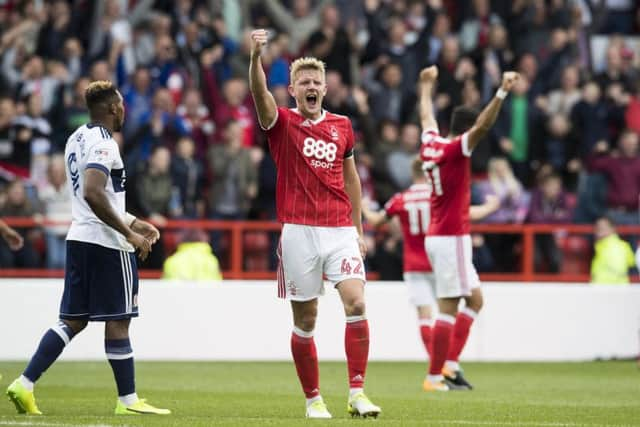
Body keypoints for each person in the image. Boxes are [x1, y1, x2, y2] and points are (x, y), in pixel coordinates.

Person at [6, 80, 170, 416]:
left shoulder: (75, 139)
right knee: (120, 319)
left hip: (79, 236)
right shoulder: (105, 145)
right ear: (112, 108)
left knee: (72, 320)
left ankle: (24, 384)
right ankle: (128, 401)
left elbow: (99, 196)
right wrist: (130, 234)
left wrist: (136, 221)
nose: (124, 110)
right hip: (107, 243)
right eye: (122, 104)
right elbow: (93, 193)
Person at [249, 29, 380, 419]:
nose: (311, 86)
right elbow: (259, 97)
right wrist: (256, 58)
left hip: (339, 229)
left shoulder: (342, 126)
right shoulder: (283, 122)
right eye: (303, 81)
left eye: (316, 82)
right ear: (292, 89)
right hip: (299, 231)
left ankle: (357, 393)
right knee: (306, 319)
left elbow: (352, 178)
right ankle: (313, 399)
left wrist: (358, 231)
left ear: (324, 89)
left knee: (356, 301)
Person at [418, 65, 519, 391]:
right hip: (451, 237)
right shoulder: (455, 150)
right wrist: (501, 91)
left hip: (440, 234)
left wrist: (425, 86)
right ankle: (434, 377)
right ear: (464, 131)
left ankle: (449, 365)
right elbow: (484, 124)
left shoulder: (431, 143)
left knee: (475, 300)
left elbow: (425, 118)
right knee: (449, 306)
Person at [362, 157, 500, 384]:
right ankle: (447, 363)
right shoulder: (439, 197)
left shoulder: (401, 198)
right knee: (452, 311)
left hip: (413, 265)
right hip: (441, 260)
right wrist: (491, 207)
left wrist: (365, 209)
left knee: (425, 318)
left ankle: (438, 366)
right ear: (429, 173)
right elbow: (469, 214)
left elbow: (377, 221)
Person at [591, 216, 635, 285]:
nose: (598, 231)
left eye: (602, 228)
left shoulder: (617, 247)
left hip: (609, 290)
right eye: (597, 228)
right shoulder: (600, 246)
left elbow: (618, 271)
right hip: (608, 289)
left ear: (613, 228)